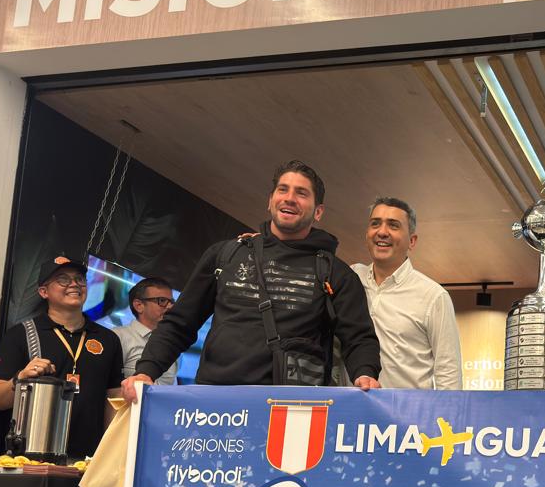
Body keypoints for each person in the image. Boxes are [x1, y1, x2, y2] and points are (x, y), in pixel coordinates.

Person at [121, 160, 380, 400]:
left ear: (318, 211)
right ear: (270, 200)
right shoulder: (226, 254)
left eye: (302, 193)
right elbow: (180, 323)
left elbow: (358, 337)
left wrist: (365, 373)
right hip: (215, 402)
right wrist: (146, 371)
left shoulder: (336, 273)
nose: (290, 198)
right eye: (283, 189)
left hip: (291, 407)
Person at [0, 255, 123, 459]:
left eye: (79, 279)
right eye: (63, 279)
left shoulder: (108, 339)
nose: (74, 284)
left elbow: (113, 399)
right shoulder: (22, 334)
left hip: (89, 460)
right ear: (44, 291)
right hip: (32, 457)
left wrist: (111, 451)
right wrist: (20, 378)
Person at [352, 197, 461, 390]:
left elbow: (449, 375)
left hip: (408, 409)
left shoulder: (433, 296)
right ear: (367, 233)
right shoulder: (351, 279)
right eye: (375, 223)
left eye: (393, 225)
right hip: (353, 408)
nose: (382, 232)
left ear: (412, 241)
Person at [113, 277, 179, 385]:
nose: (170, 306)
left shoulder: (173, 342)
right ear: (139, 305)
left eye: (172, 302)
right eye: (162, 301)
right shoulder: (117, 337)